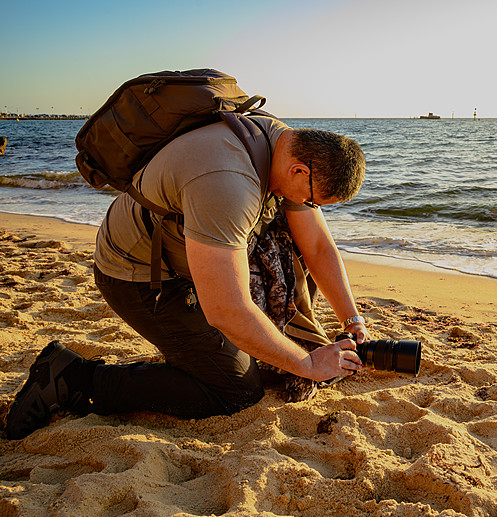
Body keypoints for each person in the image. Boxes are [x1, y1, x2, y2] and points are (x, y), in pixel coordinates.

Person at [5, 115, 369, 440]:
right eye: (315, 200)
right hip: (136, 275)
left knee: (260, 346)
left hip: (191, 257)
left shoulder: (284, 143)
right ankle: (73, 378)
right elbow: (227, 311)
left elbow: (318, 246)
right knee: (236, 390)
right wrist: (307, 364)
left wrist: (351, 318)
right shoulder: (228, 183)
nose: (312, 208)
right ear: (300, 171)